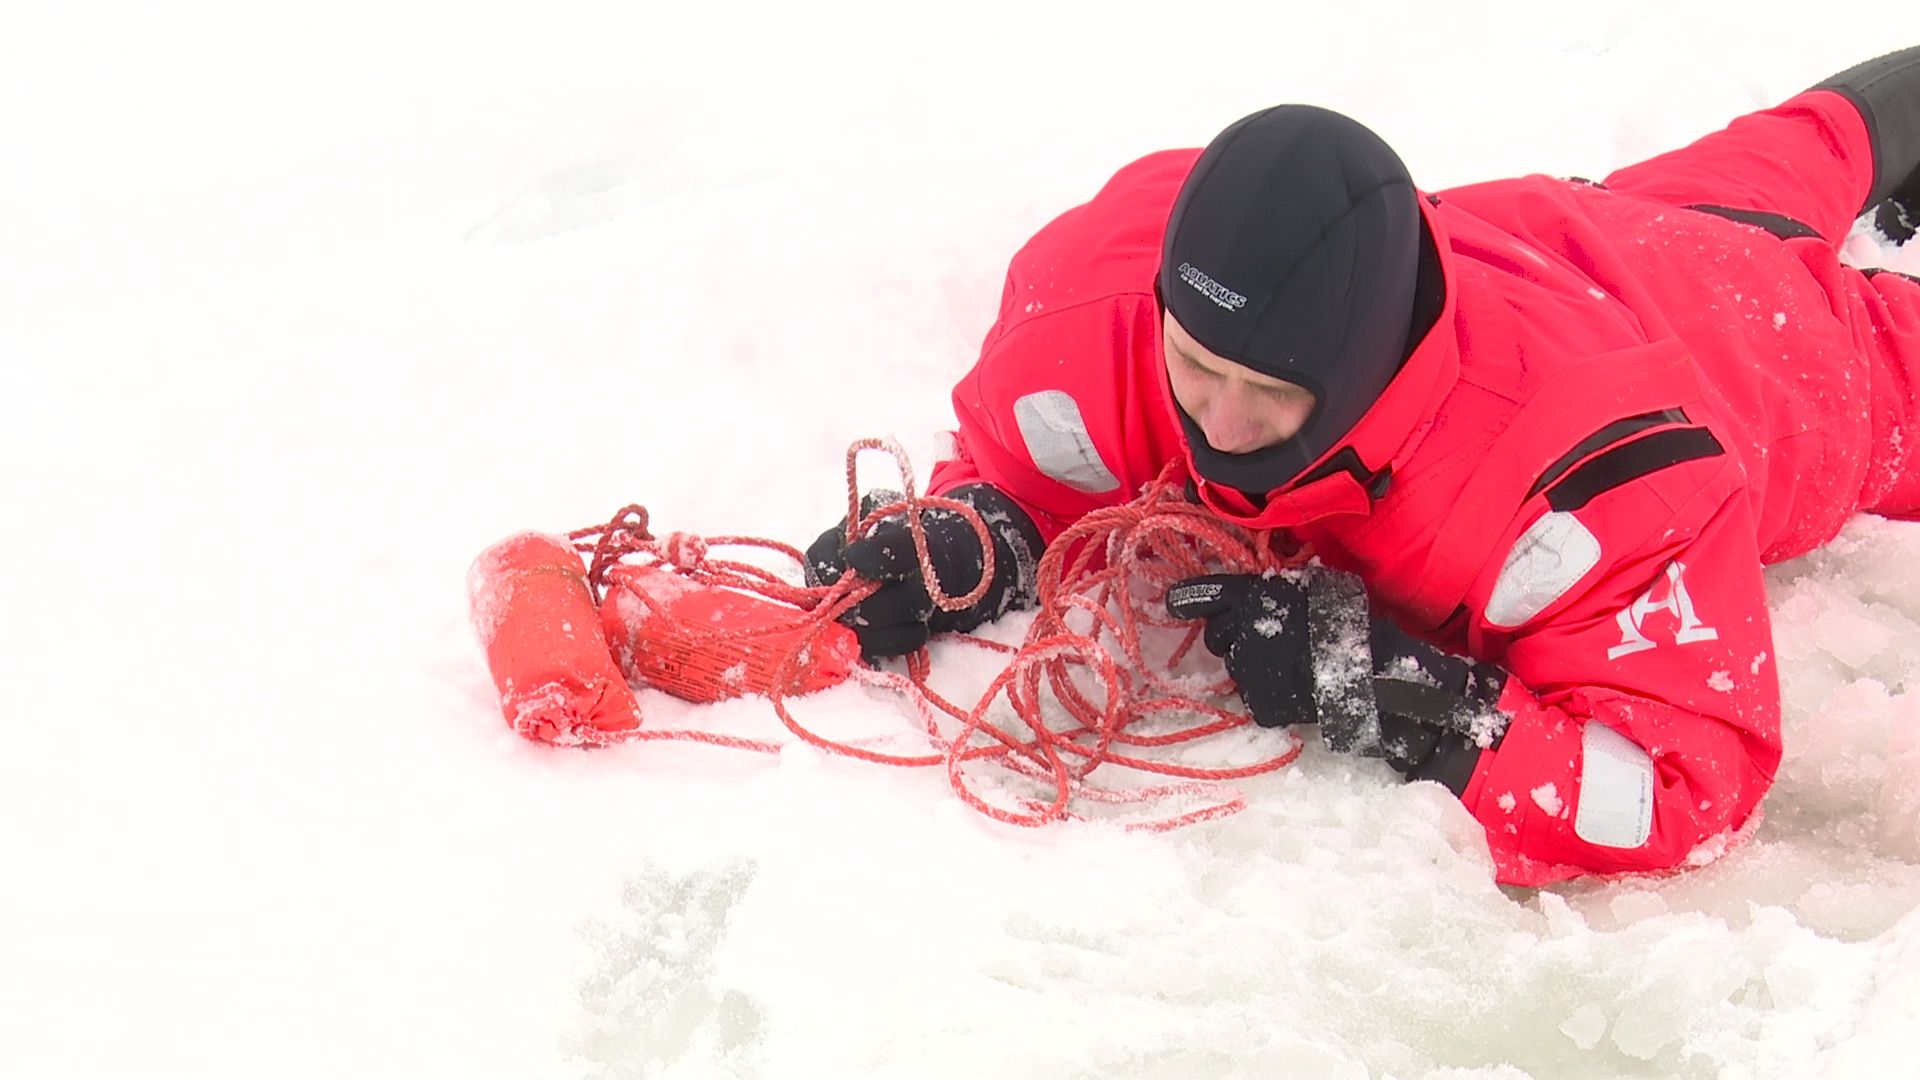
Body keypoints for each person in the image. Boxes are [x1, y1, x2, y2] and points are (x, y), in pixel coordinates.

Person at [806, 48, 1920, 886]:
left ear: (1368, 364)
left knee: (1813, 281)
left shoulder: (1593, 475)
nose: (1222, 421)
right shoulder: (1098, 300)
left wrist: (1401, 695)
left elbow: (1678, 787)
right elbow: (1028, 465)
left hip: (1766, 349)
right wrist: (982, 531)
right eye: (1197, 367)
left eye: (1273, 393)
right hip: (1570, 228)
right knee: (1808, 144)